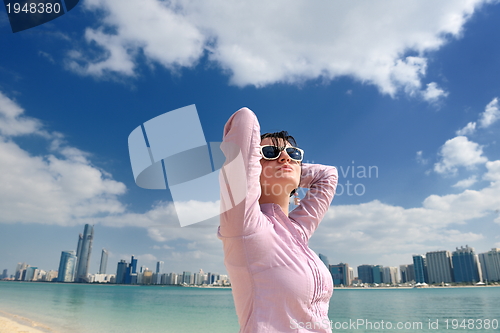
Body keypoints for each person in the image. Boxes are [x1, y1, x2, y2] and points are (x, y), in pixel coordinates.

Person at [218, 107, 338, 332]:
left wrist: (288, 170)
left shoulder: (298, 231)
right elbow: (244, 119)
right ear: (253, 165)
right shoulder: (245, 225)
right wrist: (273, 168)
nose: (284, 157)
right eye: (271, 152)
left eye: (294, 154)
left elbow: (328, 175)